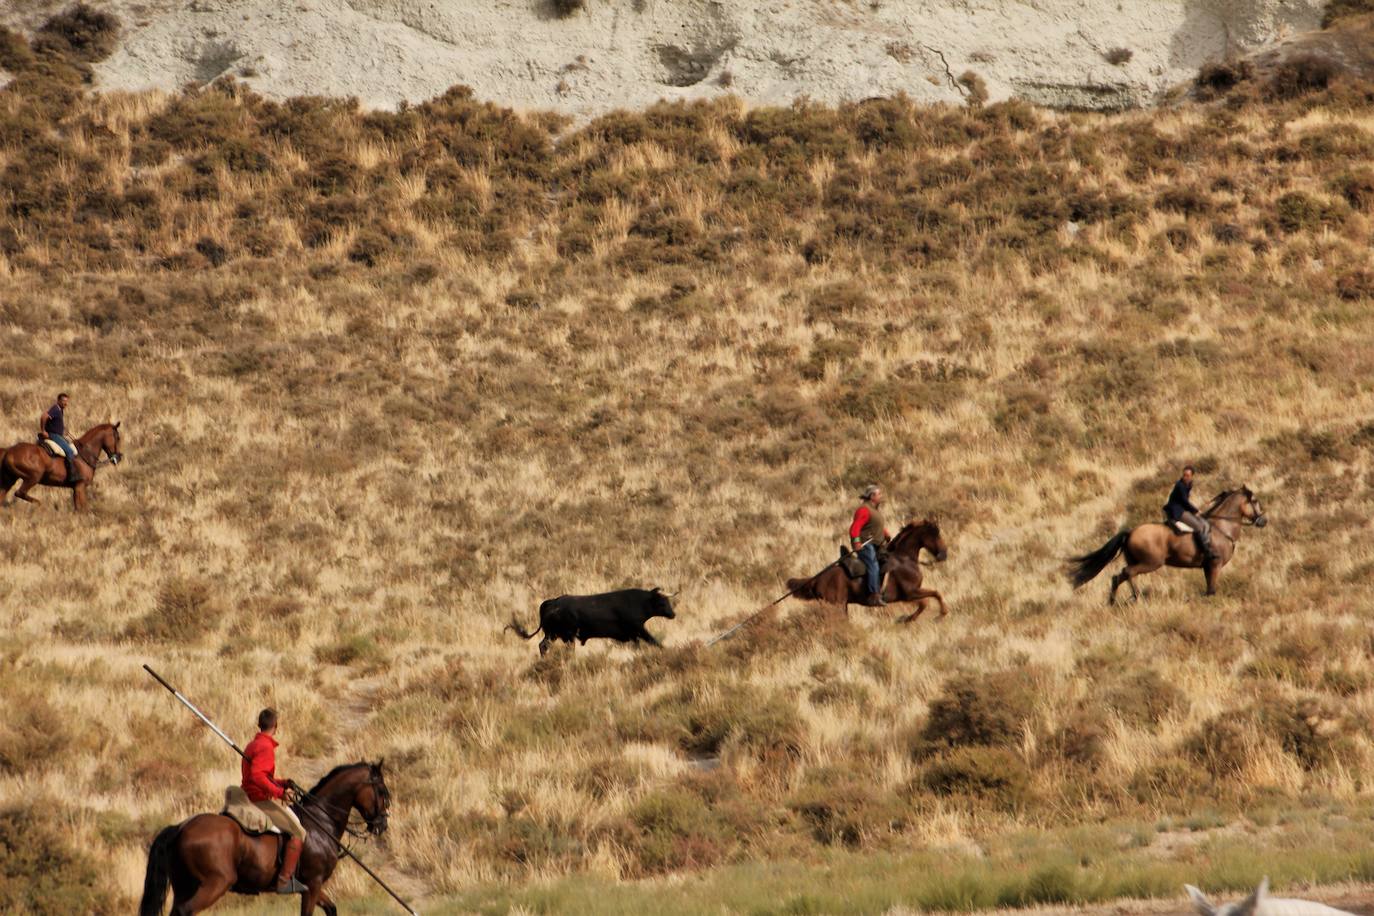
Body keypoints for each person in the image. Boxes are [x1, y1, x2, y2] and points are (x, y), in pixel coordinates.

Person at [242, 708, 308, 894]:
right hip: (258, 800)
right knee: (298, 832)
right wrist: (279, 792)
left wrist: (282, 782)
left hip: (249, 795)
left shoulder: (252, 745)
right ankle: (284, 880)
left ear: (259, 725)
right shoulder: (265, 747)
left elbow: (261, 775)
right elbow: (257, 776)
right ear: (276, 726)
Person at [849, 484, 892, 606]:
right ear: (872, 496)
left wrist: (885, 533)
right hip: (865, 544)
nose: (881, 496)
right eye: (879, 494)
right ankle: (874, 595)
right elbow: (855, 528)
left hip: (876, 544)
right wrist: (857, 542)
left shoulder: (874, 510)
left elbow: (875, 526)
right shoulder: (864, 509)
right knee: (873, 565)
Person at [1164, 464, 1215, 563]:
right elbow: (1184, 501)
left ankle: (1205, 545)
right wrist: (1195, 511)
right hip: (1177, 511)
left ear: (1192, 476)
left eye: (1187, 475)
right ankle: (1206, 551)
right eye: (1184, 475)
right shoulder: (1180, 485)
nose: (1185, 477)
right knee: (1199, 527)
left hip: (1182, 509)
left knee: (1205, 523)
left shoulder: (1189, 484)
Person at [38, 392, 80, 484]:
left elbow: (54, 421)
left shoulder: (60, 410)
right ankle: (72, 475)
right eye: (63, 401)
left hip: (58, 434)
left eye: (67, 401)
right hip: (53, 435)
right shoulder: (56, 409)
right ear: (58, 401)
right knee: (69, 451)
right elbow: (44, 416)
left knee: (72, 445)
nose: (66, 403)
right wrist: (43, 430)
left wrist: (62, 429)